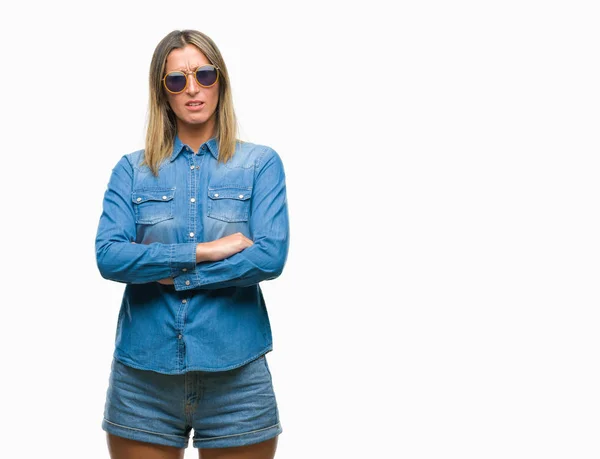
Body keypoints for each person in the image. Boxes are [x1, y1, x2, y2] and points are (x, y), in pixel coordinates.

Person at [95, 29, 290, 459]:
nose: (193, 89)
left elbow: (270, 256)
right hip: (143, 379)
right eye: (177, 80)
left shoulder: (260, 164)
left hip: (237, 376)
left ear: (220, 80)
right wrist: (201, 252)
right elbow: (109, 256)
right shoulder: (131, 171)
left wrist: (171, 274)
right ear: (162, 93)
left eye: (204, 74)